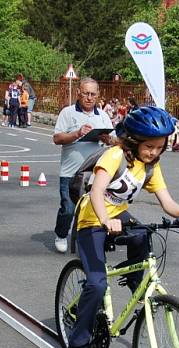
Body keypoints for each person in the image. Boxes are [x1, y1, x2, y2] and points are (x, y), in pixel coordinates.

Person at [64, 106, 179, 348]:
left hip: (118, 217)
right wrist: (106, 220)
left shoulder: (151, 167)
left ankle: (137, 286)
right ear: (134, 141)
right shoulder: (115, 156)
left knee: (143, 236)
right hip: (92, 219)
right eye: (149, 146)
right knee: (96, 283)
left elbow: (166, 201)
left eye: (159, 147)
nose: (154, 152)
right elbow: (96, 192)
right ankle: (79, 343)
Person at [52, 77, 115, 254]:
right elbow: (57, 138)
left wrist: (107, 138)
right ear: (78, 93)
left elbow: (114, 140)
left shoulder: (102, 116)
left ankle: (87, 240)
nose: (89, 97)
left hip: (94, 173)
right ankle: (61, 234)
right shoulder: (68, 112)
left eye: (92, 94)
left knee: (92, 209)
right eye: (85, 93)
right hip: (70, 171)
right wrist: (77, 133)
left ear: (98, 95)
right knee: (68, 208)